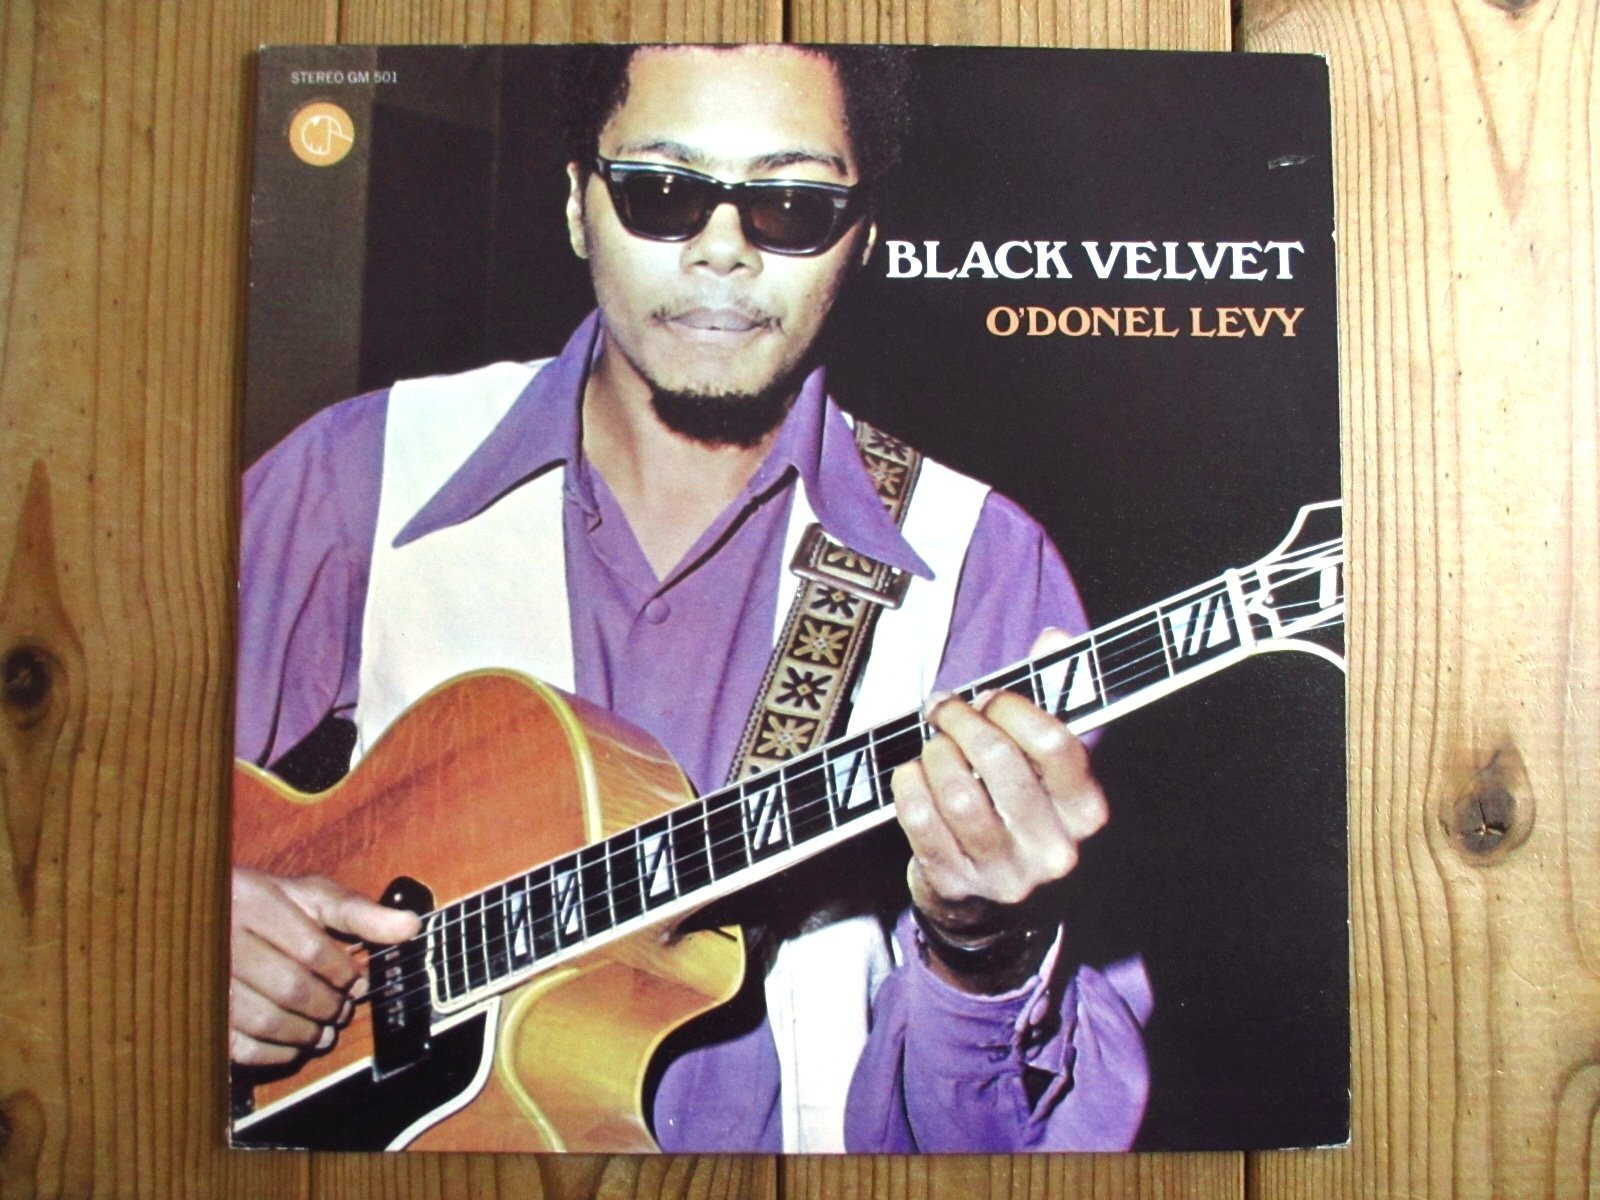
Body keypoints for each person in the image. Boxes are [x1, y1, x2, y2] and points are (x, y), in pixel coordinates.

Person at [229, 43, 1151, 1153]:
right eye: (661, 192)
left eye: (793, 206)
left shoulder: (980, 567)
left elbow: (1002, 1153)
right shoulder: (362, 471)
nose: (722, 251)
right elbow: (92, 800)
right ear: (578, 205)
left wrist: (982, 947)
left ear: (862, 237)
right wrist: (188, 922)